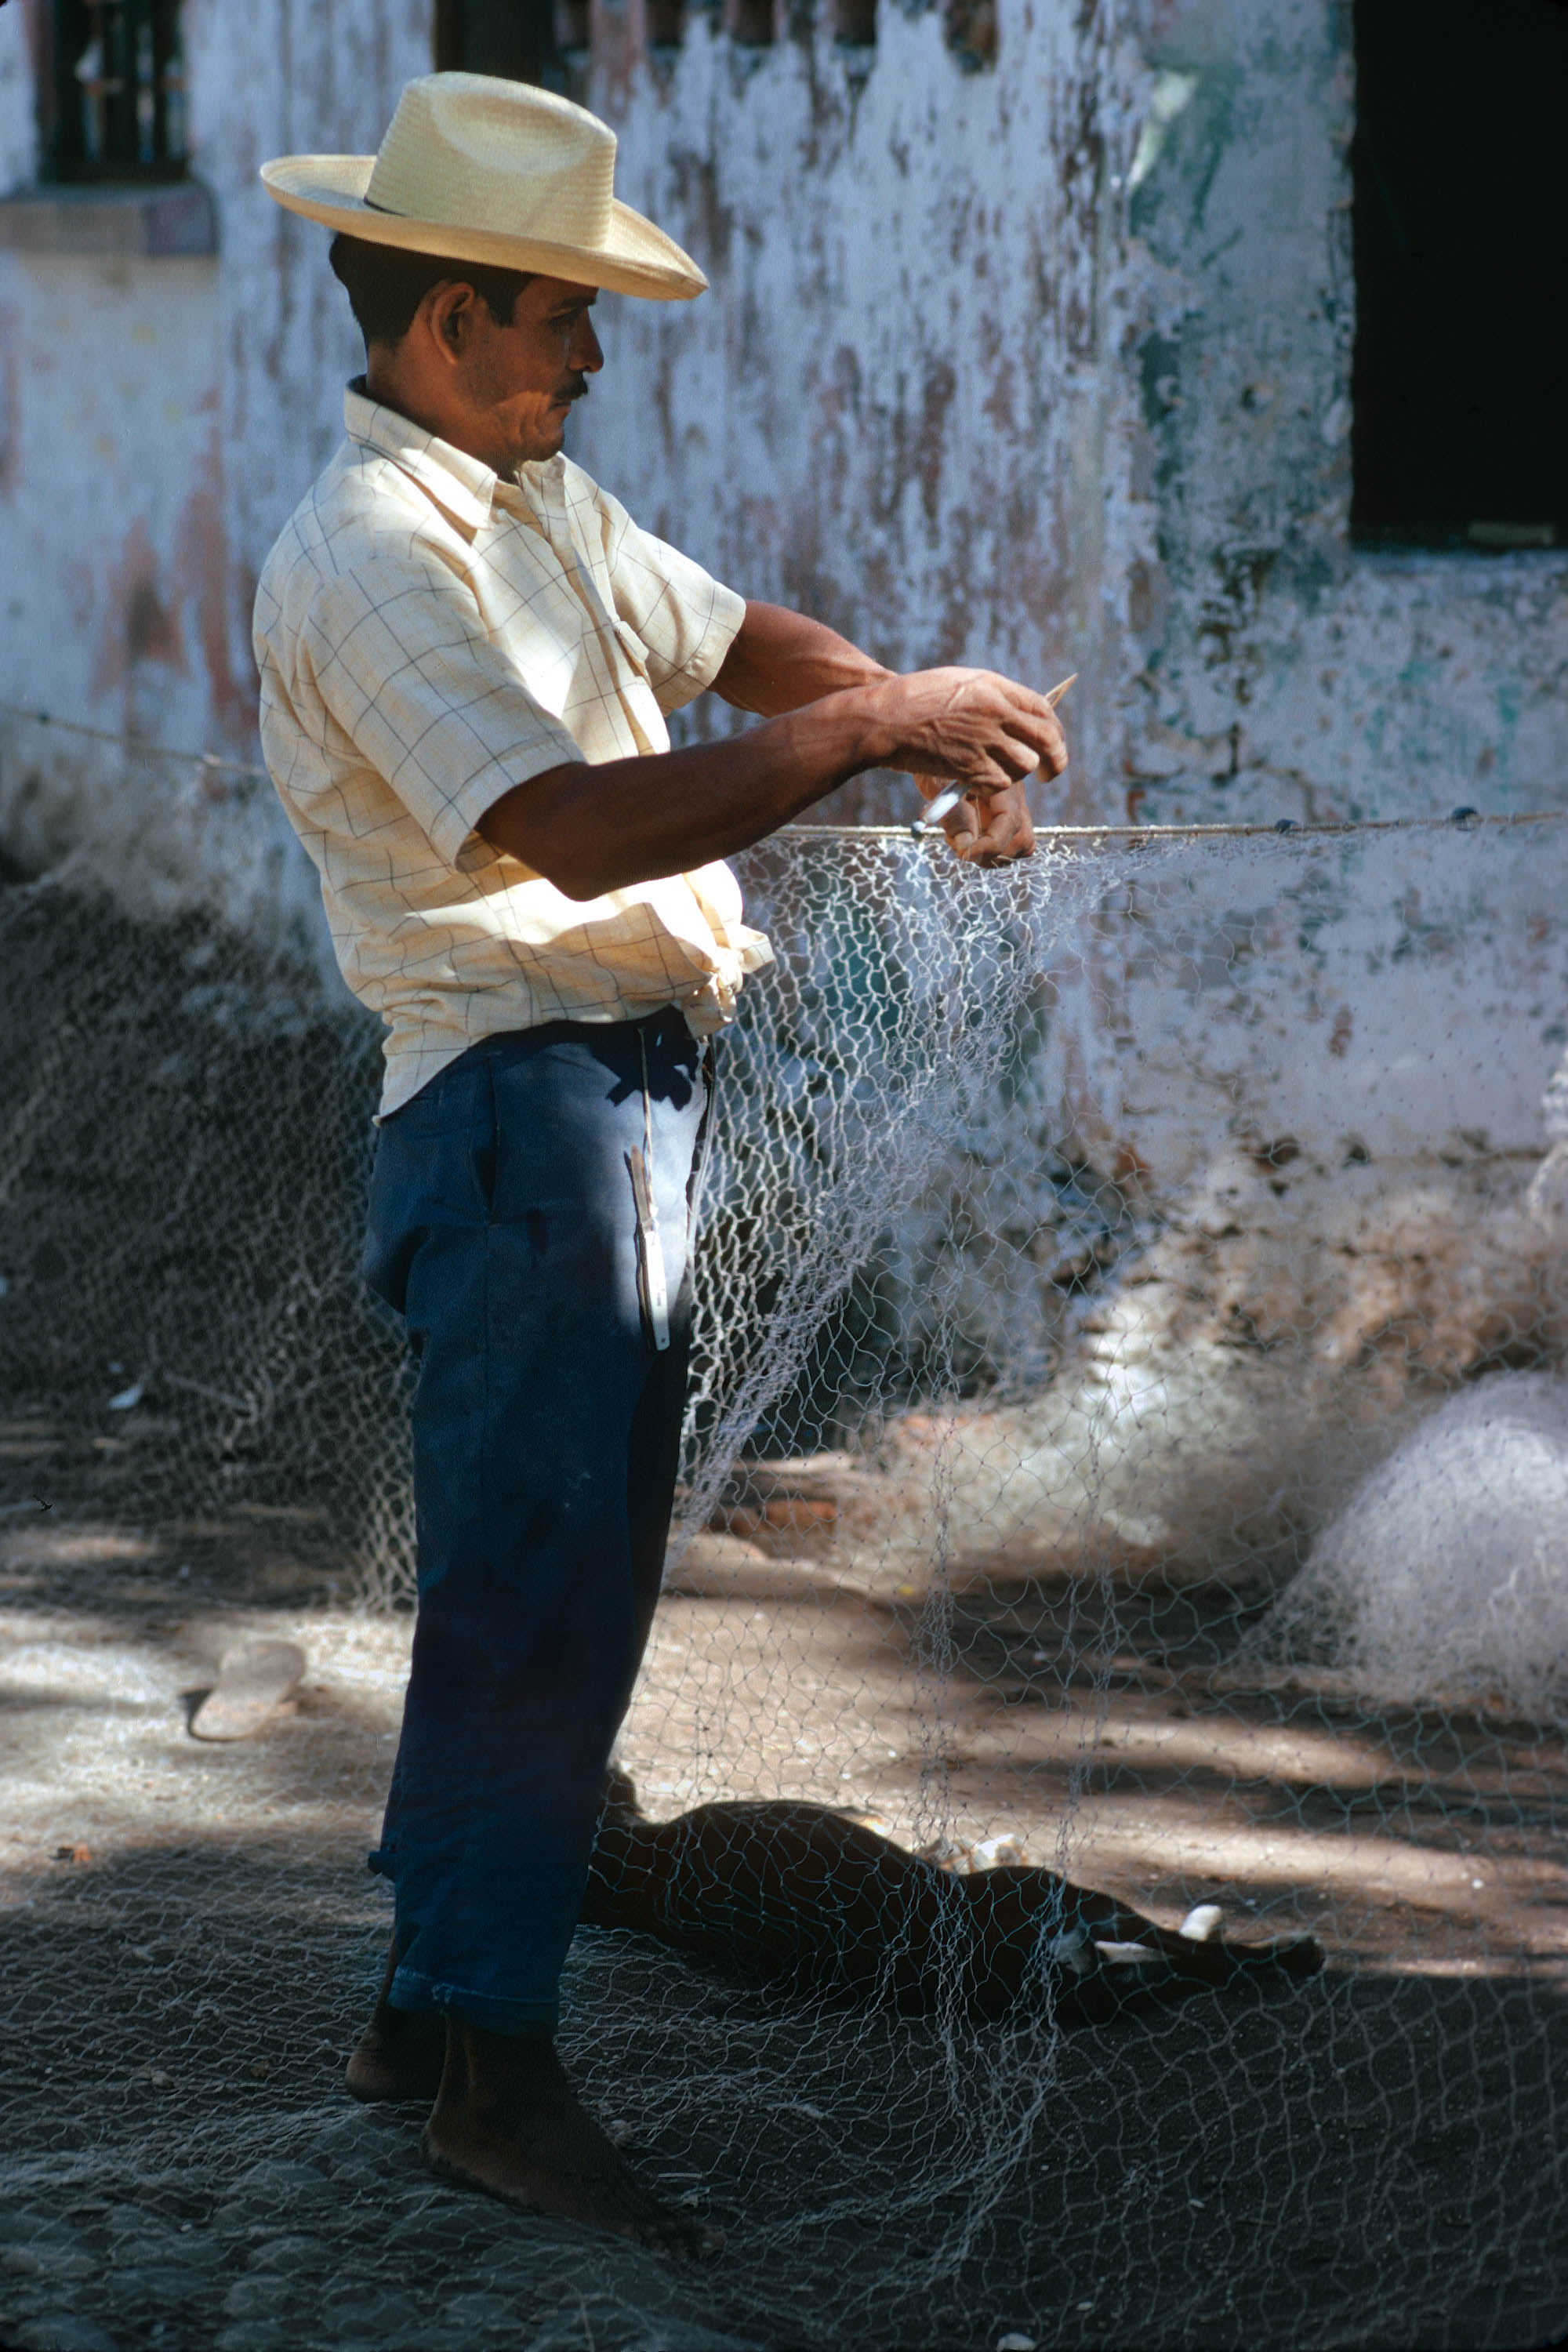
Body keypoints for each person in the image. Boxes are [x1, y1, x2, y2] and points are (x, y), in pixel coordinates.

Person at [252, 70, 1066, 2256]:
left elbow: (738, 645)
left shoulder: (538, 501)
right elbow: (572, 824)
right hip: (522, 1117)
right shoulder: (368, 557)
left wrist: (921, 717)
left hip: (607, 1107)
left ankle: (428, 2020)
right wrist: (875, 738)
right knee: (540, 1607)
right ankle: (496, 2079)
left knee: (540, 1592)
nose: (593, 356)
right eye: (557, 316)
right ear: (444, 324)